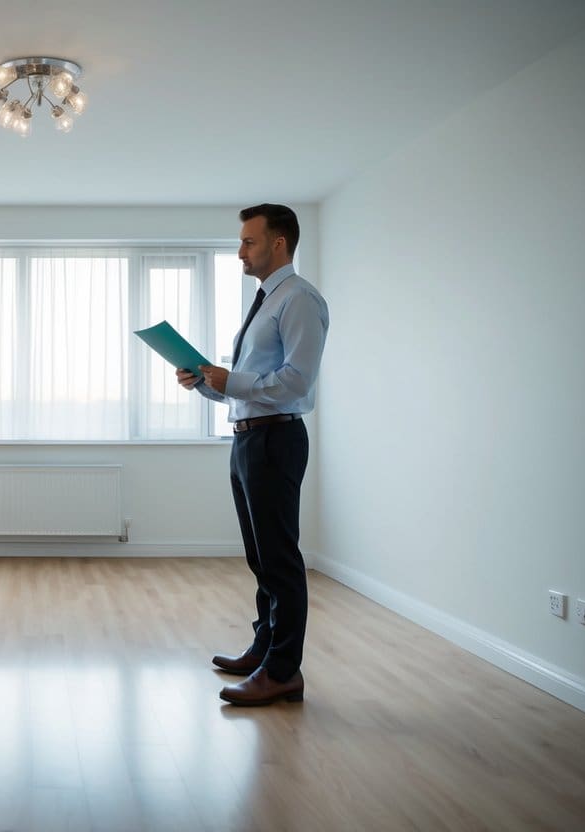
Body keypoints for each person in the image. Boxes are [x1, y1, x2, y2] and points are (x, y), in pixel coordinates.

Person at [177, 203, 328, 706]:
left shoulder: (299, 299)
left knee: (280, 558)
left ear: (278, 243)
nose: (240, 250)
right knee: (259, 557)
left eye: (248, 241)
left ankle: (284, 670)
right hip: (247, 438)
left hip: (276, 439)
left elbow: (296, 382)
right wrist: (206, 384)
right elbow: (248, 389)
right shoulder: (265, 301)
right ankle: (265, 649)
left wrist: (231, 378)